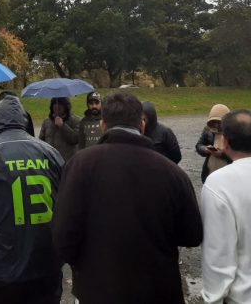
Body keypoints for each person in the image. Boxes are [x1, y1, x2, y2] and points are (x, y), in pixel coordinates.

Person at [53, 92, 203, 304]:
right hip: (158, 290)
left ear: (103, 125)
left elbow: (62, 235)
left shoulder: (79, 165)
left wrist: (85, 267)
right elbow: (192, 235)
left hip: (98, 289)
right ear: (142, 126)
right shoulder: (172, 173)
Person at [0, 96, 65, 304]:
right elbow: (66, 207)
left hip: (2, 269)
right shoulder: (51, 152)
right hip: (46, 264)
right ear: (25, 120)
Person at [201, 109, 251, 303]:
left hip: (247, 297)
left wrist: (213, 298)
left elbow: (218, 256)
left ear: (225, 143)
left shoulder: (218, 184)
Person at [195, 103, 231, 182]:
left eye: (219, 122)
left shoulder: (235, 132)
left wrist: (222, 154)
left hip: (228, 175)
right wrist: (205, 149)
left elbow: (240, 154)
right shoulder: (208, 129)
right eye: (214, 121)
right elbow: (199, 145)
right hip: (210, 174)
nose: (217, 125)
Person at [39, 97, 81, 162]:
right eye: (54, 104)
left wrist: (62, 126)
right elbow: (41, 142)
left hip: (68, 162)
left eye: (60, 104)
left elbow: (75, 139)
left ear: (66, 106)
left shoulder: (76, 120)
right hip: (51, 162)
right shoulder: (46, 121)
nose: (57, 106)